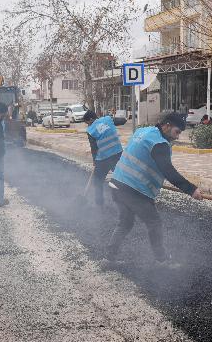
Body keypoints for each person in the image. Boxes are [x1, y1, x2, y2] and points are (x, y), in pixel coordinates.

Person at [105, 111, 203, 268]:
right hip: (133, 191)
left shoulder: (142, 131)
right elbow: (168, 171)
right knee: (154, 223)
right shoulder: (159, 144)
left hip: (117, 183)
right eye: (177, 132)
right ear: (167, 125)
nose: (177, 136)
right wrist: (191, 190)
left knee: (125, 223)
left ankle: (109, 259)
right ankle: (162, 260)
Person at [83, 110, 123, 207]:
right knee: (121, 178)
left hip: (104, 159)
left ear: (91, 119)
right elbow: (123, 120)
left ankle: (99, 204)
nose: (88, 125)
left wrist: (94, 160)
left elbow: (94, 148)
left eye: (87, 122)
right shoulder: (108, 119)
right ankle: (126, 201)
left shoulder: (91, 130)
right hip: (118, 154)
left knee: (97, 181)